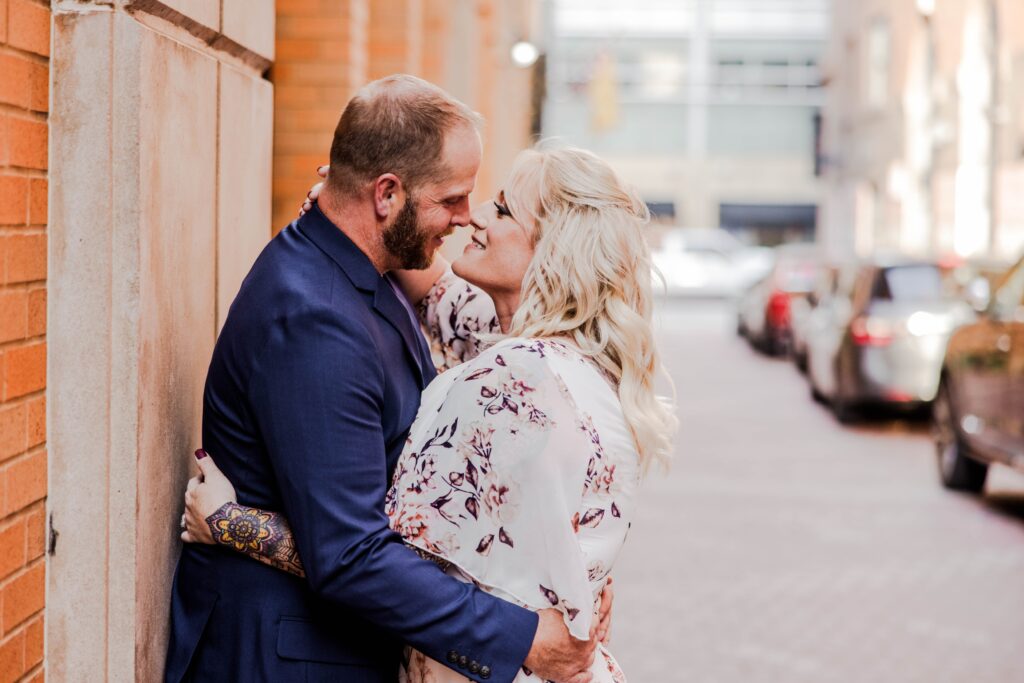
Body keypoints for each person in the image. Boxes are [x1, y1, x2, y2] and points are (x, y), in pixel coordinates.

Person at [165, 75, 607, 683]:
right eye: (453, 199)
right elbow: (349, 553)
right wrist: (527, 641)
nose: (465, 218)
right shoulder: (317, 317)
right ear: (387, 195)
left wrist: (238, 525)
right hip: (289, 658)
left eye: (492, 206)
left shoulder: (410, 282)